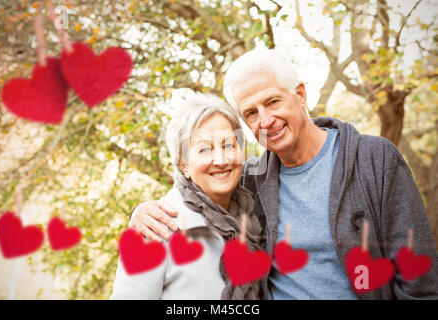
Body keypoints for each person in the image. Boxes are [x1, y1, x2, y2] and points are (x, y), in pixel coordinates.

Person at [129, 48, 438, 299]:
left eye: (272, 101)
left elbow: (419, 281)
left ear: (300, 95)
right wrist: (142, 213)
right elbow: (200, 194)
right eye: (251, 112)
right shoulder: (249, 180)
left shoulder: (375, 160)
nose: (266, 120)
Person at [110, 93, 265, 299]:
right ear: (184, 165)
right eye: (204, 149)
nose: (220, 159)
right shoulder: (155, 227)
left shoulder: (252, 217)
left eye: (228, 145)